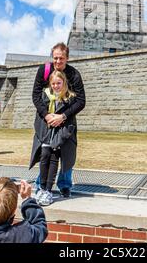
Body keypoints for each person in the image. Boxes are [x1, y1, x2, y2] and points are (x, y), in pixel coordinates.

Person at [32, 42, 86, 198]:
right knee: (45, 153)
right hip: (46, 121)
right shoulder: (44, 70)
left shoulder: (74, 74)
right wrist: (47, 115)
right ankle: (40, 184)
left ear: (67, 58)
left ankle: (64, 185)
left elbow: (81, 101)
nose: (57, 61)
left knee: (67, 153)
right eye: (55, 58)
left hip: (66, 121)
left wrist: (63, 116)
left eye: (61, 58)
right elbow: (36, 96)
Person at [30, 71, 77, 206]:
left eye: (59, 83)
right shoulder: (44, 96)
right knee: (44, 159)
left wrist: (62, 135)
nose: (56, 86)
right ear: (50, 84)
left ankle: (49, 190)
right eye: (54, 83)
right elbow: (39, 114)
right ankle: (42, 188)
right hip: (45, 135)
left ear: (64, 83)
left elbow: (70, 120)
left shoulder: (69, 97)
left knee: (54, 161)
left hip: (59, 137)